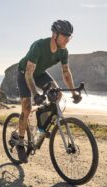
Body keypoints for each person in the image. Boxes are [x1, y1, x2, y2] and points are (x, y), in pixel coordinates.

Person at [15, 20, 81, 163]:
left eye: (69, 36)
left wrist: (74, 92)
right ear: (55, 34)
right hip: (24, 73)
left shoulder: (63, 51)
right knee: (26, 108)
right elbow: (28, 74)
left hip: (39, 74)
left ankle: (42, 122)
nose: (67, 40)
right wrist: (35, 95)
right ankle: (20, 142)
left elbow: (66, 73)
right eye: (65, 36)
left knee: (57, 94)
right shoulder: (38, 46)